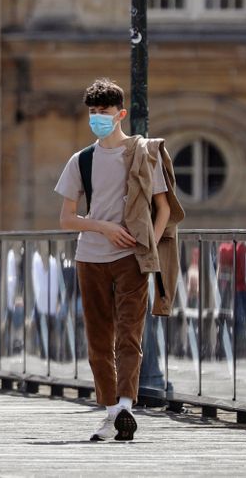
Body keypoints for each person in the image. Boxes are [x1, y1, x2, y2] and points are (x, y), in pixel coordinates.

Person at [56, 78, 182, 442]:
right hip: (90, 256)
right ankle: (113, 412)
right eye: (93, 113)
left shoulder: (143, 154)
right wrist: (103, 228)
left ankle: (124, 405)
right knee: (98, 337)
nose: (97, 118)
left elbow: (163, 208)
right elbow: (66, 218)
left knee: (130, 335)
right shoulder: (81, 160)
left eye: (104, 113)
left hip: (131, 258)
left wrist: (149, 247)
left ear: (120, 114)